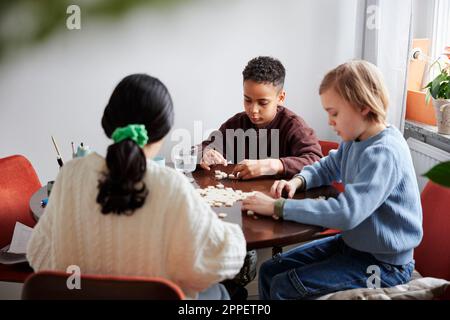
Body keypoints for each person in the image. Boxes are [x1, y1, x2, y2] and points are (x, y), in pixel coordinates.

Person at [26, 74, 247, 300]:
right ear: (164, 129)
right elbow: (221, 261)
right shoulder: (171, 185)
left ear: (109, 122)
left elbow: (38, 254)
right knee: (218, 292)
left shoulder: (71, 175)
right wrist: (227, 228)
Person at [242, 60, 423, 300]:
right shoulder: (355, 140)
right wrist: (297, 181)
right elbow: (329, 166)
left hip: (384, 266)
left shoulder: (384, 152)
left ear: (363, 107)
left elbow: (346, 213)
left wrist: (279, 207)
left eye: (334, 113)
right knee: (268, 271)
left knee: (283, 286)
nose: (330, 122)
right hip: (352, 246)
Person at [200, 56, 322, 180]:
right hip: (242, 196)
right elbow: (204, 147)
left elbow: (316, 160)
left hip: (279, 197)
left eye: (263, 103)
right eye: (247, 100)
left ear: (281, 98)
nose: (253, 110)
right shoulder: (236, 124)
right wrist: (206, 153)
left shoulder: (294, 126)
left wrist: (274, 165)